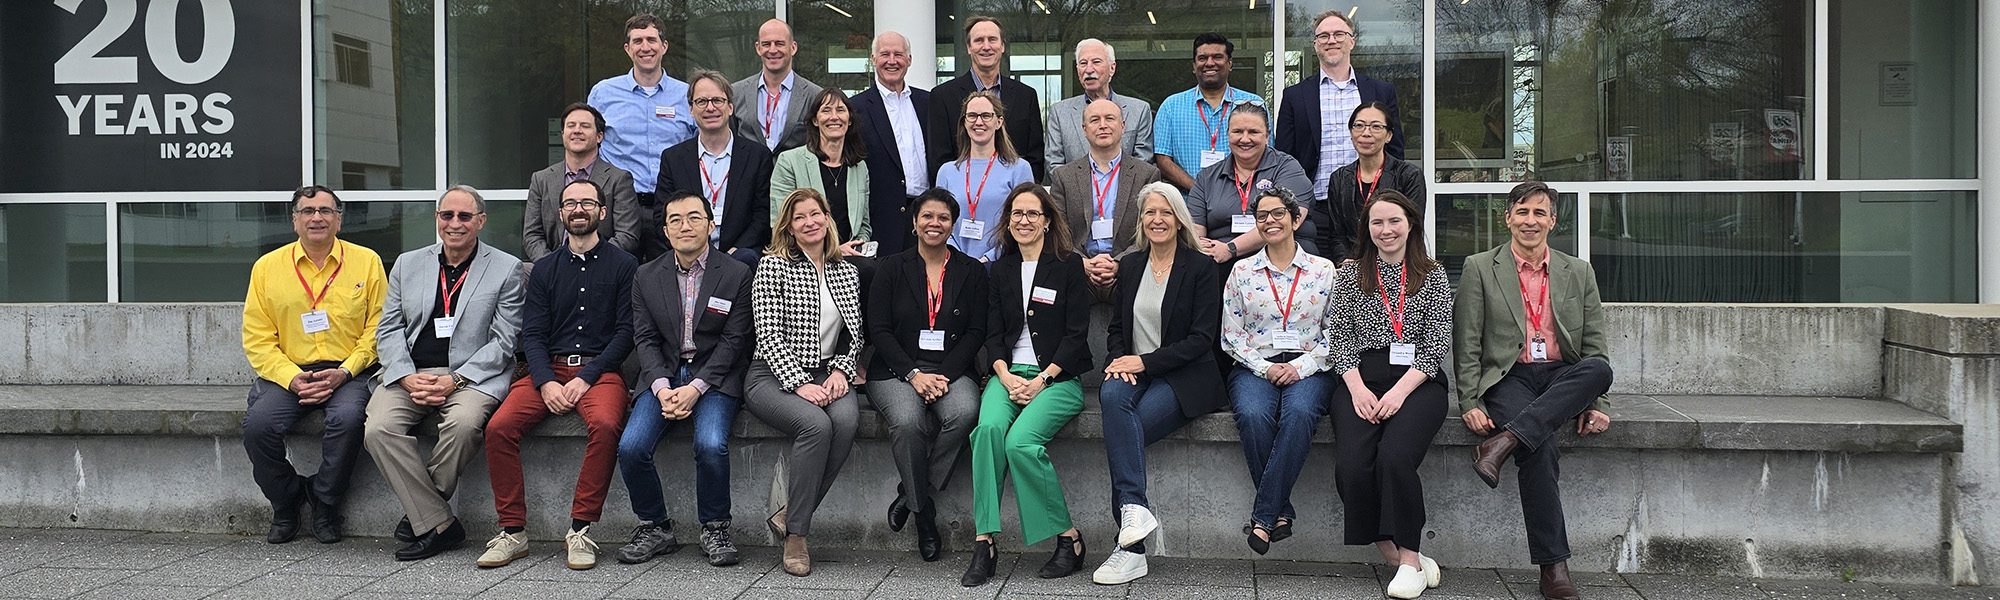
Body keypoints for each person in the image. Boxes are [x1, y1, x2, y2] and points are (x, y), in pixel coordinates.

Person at [1453, 181, 1615, 600]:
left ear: (1553, 221)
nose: (1530, 221)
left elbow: (1595, 344)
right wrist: (1469, 400)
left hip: (1563, 373)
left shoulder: (1578, 271)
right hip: (1510, 377)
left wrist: (1594, 402)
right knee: (1539, 446)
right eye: (1522, 212)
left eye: (1539, 213)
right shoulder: (1479, 266)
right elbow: (1467, 339)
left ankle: (1502, 443)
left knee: (1598, 370)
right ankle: (1553, 568)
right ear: (1507, 218)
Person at [479, 179, 639, 571]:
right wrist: (545, 381)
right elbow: (531, 332)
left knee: (604, 424)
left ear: (603, 212)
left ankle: (581, 529)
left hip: (599, 370)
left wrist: (588, 376)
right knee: (499, 427)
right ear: (560, 213)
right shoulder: (544, 269)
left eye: (587, 202)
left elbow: (627, 332)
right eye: (570, 203)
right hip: (547, 369)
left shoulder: (625, 266)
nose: (578, 209)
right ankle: (513, 531)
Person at [364, 185, 525, 561]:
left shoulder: (505, 268)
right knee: (377, 428)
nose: (455, 224)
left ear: (481, 221)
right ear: (437, 219)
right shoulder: (408, 263)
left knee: (465, 424)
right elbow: (387, 329)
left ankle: (426, 516)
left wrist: (455, 380)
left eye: (465, 216)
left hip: (471, 376)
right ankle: (440, 521)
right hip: (411, 373)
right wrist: (404, 376)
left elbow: (504, 342)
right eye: (446, 215)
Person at [1089, 182, 1223, 585]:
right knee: (1112, 397)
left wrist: (1143, 361)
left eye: (1165, 212)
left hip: (1183, 375)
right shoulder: (1130, 266)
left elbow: (1202, 340)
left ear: (1179, 218)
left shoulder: (1200, 267)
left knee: (1124, 434)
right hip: (1133, 370)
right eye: (1150, 213)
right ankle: (1135, 514)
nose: (1157, 220)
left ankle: (1128, 549)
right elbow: (1115, 329)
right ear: (1141, 220)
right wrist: (1119, 359)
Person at [961, 182, 1093, 587]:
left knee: (1020, 443)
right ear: (1007, 221)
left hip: (1057, 379)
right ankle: (985, 541)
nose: (1023, 220)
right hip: (1005, 375)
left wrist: (1040, 379)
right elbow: (993, 333)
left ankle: (1068, 538)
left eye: (1032, 213)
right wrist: (1002, 375)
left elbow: (1076, 335)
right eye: (1017, 214)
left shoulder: (1069, 265)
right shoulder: (999, 269)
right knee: (986, 432)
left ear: (1048, 221)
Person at [240, 185, 386, 545]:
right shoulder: (267, 268)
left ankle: (325, 502)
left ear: (339, 219)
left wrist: (346, 371)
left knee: (349, 420)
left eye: (325, 210)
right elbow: (257, 339)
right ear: (294, 220)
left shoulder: (367, 261)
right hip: (289, 372)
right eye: (307, 211)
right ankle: (287, 502)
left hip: (348, 370)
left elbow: (380, 328)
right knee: (258, 426)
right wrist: (292, 379)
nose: (316, 217)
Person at [615, 191, 755, 568]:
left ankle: (715, 527)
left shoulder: (737, 274)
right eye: (675, 219)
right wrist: (662, 388)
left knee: (710, 444)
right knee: (631, 447)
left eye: (694, 217)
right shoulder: (646, 275)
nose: (685, 225)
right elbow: (643, 337)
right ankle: (656, 526)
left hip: (715, 375)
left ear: (711, 225)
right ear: (664, 230)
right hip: (662, 373)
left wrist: (694, 388)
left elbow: (734, 340)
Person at [1325, 190, 1449, 598]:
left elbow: (1436, 343)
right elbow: (1339, 339)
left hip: (1417, 382)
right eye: (1377, 223)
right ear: (1367, 229)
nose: (1386, 230)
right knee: (1352, 465)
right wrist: (1357, 388)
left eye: (1394, 221)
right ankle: (1393, 556)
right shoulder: (1349, 275)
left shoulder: (1432, 274)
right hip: (1360, 379)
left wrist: (1398, 392)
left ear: (1410, 223)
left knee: (1394, 457)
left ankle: (1411, 560)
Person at [863, 188, 990, 563]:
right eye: (927, 217)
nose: (935, 224)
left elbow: (975, 333)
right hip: (897, 369)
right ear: (915, 223)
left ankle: (912, 495)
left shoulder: (971, 271)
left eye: (943, 218)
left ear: (954, 224)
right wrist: (913, 373)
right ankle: (925, 517)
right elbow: (879, 329)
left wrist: (945, 375)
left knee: (966, 412)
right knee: (906, 422)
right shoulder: (890, 268)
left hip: (951, 368)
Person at [746, 188, 867, 577]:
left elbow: (855, 335)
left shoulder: (846, 270)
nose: (810, 222)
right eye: (800, 217)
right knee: (815, 424)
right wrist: (799, 383)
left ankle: (788, 514)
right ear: (789, 226)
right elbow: (768, 335)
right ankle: (797, 535)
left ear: (828, 218)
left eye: (816, 214)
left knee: (847, 420)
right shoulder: (773, 266)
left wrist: (840, 371)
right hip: (772, 374)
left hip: (828, 372)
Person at [1221, 187, 1338, 555]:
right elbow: (1231, 333)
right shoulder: (1241, 271)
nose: (1269, 221)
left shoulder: (1323, 270)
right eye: (1261, 216)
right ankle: (1279, 512)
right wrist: (1265, 367)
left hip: (1311, 365)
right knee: (1253, 414)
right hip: (1255, 365)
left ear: (1295, 218)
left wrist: (1300, 367)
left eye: (1277, 214)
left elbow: (1335, 332)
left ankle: (1264, 516)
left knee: (1300, 412)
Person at [588, 14, 696, 261]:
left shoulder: (686, 95)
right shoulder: (603, 93)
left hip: (673, 206)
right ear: (627, 49)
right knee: (616, 277)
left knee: (669, 280)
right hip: (621, 207)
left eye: (651, 39)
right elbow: (587, 145)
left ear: (664, 46)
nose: (645, 47)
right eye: (637, 41)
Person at [1274, 10, 1405, 206]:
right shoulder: (1295, 96)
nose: (1331, 40)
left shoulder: (1381, 92)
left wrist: (1389, 197)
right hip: (1314, 206)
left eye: (1339, 34)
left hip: (1371, 203)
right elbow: (1284, 155)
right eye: (1323, 36)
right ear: (1316, 44)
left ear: (1352, 41)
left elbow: (1395, 149)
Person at [656, 70, 772, 266]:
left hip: (740, 257)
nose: (710, 108)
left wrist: (736, 250)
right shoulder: (673, 158)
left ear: (730, 107)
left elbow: (763, 213)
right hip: (688, 253)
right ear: (691, 109)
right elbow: (662, 213)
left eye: (717, 100)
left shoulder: (757, 156)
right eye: (701, 101)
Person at [1047, 98, 1163, 292]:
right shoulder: (1064, 176)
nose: (1103, 125)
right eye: (1094, 120)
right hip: (1078, 273)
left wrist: (1119, 264)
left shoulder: (1147, 175)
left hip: (1130, 273)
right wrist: (1082, 263)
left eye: (1110, 118)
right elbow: (1059, 231)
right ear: (1084, 129)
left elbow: (1149, 230)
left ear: (1123, 126)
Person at [1184, 102, 1319, 263]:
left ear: (1267, 136)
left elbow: (1285, 221)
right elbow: (1195, 230)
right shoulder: (1206, 177)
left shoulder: (1288, 168)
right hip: (1220, 261)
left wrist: (1231, 249)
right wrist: (1204, 247)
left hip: (1282, 259)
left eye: (1253, 132)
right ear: (1228, 134)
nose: (1245, 139)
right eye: (1237, 131)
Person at [928, 16, 1045, 180]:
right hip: (963, 199)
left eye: (992, 39)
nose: (986, 46)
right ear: (969, 47)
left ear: (1002, 46)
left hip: (1015, 199)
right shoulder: (942, 97)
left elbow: (1035, 159)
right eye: (979, 40)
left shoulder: (1026, 96)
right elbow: (939, 160)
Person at [526, 103, 641, 263]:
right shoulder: (541, 179)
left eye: (585, 126)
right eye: (571, 126)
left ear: (599, 136)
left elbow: (627, 235)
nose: (577, 130)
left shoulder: (619, 179)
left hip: (602, 268)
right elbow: (532, 235)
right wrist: (552, 266)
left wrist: (592, 263)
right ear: (563, 134)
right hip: (553, 269)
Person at [850, 32, 932, 256]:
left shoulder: (928, 102)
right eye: (885, 54)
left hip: (925, 213)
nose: (892, 60)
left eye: (899, 54)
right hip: (881, 217)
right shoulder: (856, 108)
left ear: (909, 60)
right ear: (873, 59)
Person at [1152, 33, 1263, 191]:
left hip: (1241, 201)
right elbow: (1163, 160)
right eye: (1203, 58)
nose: (1210, 63)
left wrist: (1234, 192)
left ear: (1230, 63)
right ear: (1194, 65)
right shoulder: (1171, 107)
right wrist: (1198, 190)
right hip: (1187, 206)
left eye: (1217, 57)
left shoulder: (1254, 104)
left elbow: (1265, 153)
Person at [936, 92, 1036, 263]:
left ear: (999, 122)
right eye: (972, 116)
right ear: (964, 123)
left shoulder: (1019, 169)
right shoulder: (947, 172)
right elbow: (940, 222)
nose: (979, 122)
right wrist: (959, 260)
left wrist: (988, 258)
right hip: (955, 266)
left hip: (1002, 264)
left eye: (986, 116)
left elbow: (1023, 223)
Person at [770, 88, 871, 255]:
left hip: (850, 259)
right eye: (826, 110)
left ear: (849, 120)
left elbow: (863, 225)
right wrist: (834, 251)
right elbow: (780, 224)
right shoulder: (789, 162)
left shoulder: (859, 167)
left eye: (840, 110)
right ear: (815, 120)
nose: (834, 117)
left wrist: (857, 246)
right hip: (803, 259)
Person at [1319, 102, 1424, 261]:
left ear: (1389, 135)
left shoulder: (1408, 175)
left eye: (1376, 126)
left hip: (1398, 263)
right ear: (1351, 132)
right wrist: (1345, 262)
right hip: (1353, 265)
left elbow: (1413, 229)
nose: (1366, 133)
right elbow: (1337, 235)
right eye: (1359, 125)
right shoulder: (1339, 178)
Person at [1043, 39, 1153, 170]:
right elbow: (1054, 164)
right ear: (1077, 70)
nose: (1089, 69)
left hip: (1126, 190)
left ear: (1112, 68)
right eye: (1083, 63)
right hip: (1074, 190)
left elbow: (1143, 165)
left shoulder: (1139, 110)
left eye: (1096, 62)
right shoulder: (1059, 112)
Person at [732, 19, 825, 153]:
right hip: (750, 173)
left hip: (795, 173)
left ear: (793, 48)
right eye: (766, 44)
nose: (773, 50)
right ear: (758, 48)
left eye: (779, 43)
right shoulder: (736, 93)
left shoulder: (814, 95)